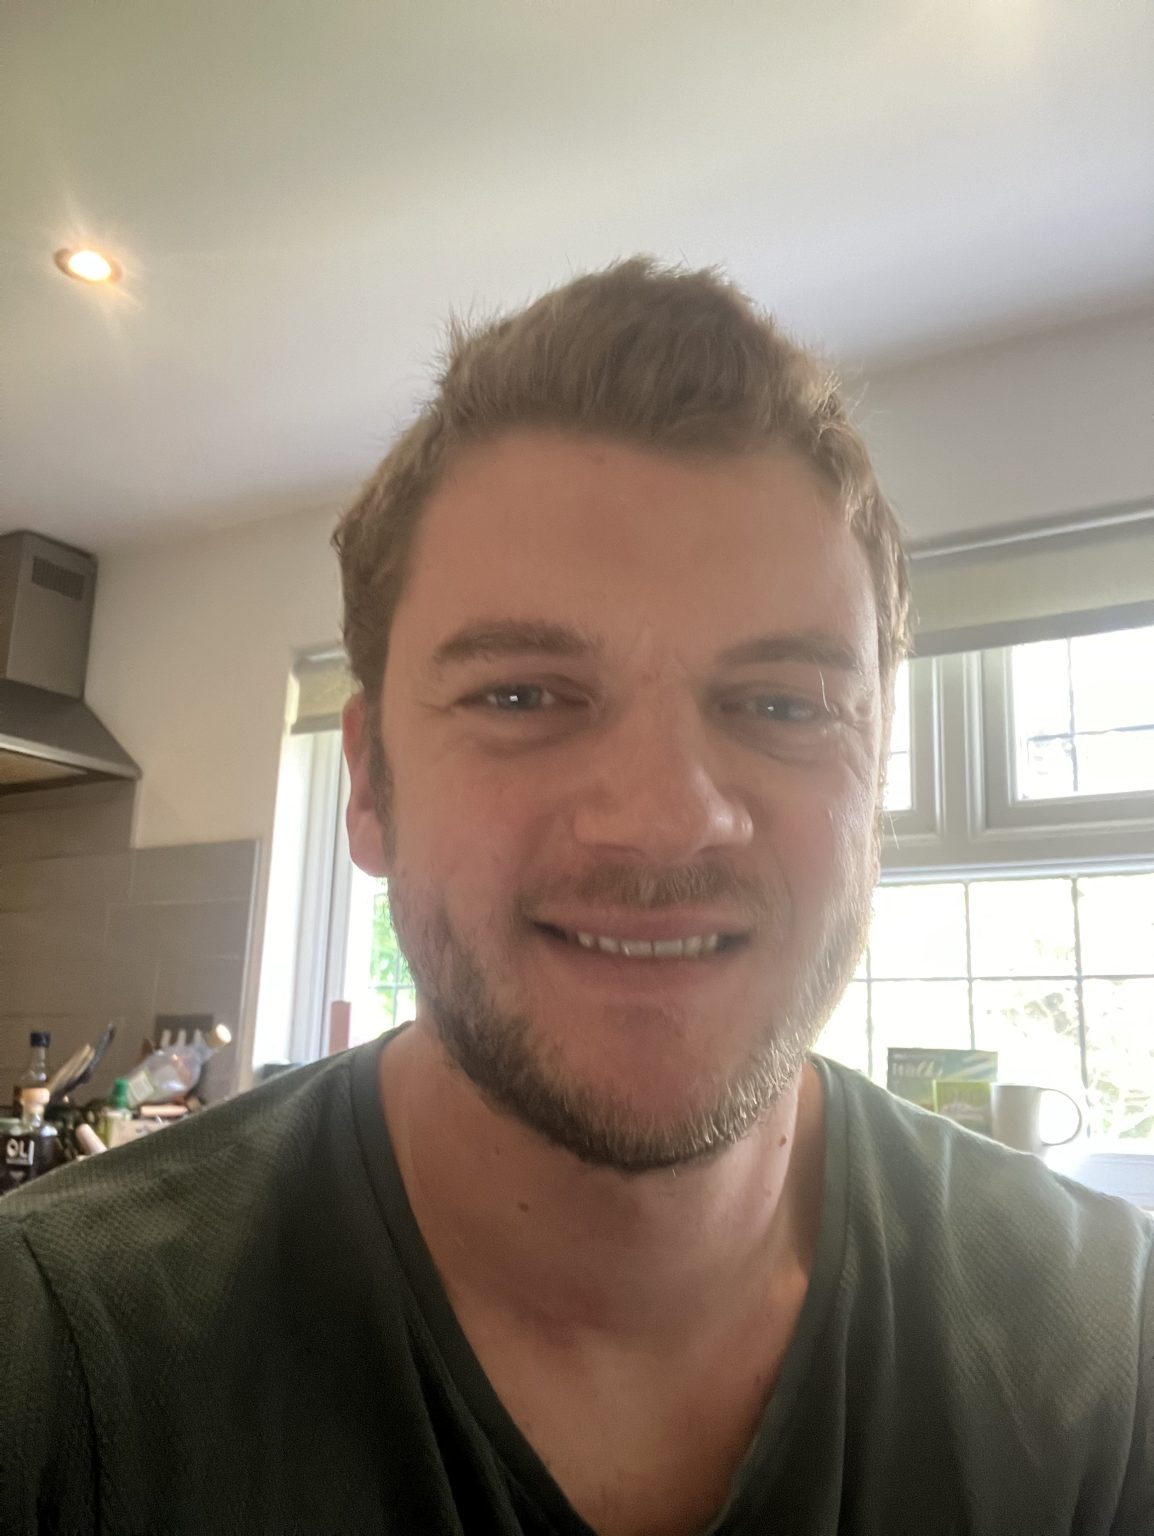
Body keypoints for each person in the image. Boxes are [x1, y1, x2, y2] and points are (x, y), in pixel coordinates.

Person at [1, 258, 1149, 1536]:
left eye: (782, 705)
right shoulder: (54, 1355)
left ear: (873, 782)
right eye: (520, 694)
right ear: (369, 784)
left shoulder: (1101, 1352)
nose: (662, 817)